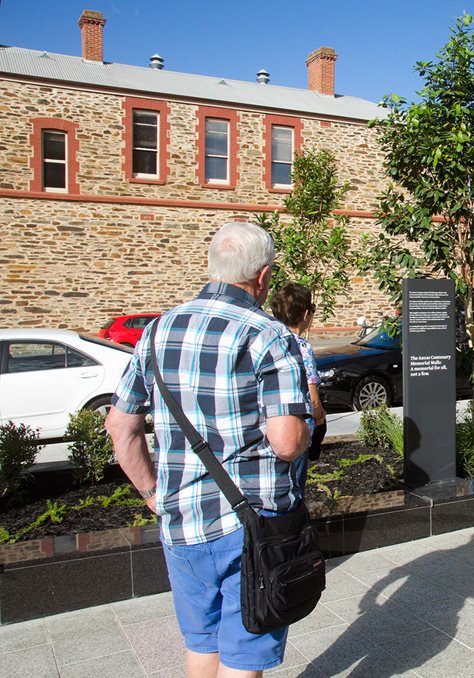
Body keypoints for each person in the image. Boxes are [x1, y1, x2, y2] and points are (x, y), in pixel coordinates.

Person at [105, 222, 311, 678]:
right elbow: (287, 441)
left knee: (202, 642)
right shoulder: (269, 335)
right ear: (262, 277)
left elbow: (121, 426)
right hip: (251, 525)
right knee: (243, 652)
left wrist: (152, 494)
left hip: (181, 521)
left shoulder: (157, 331)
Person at [270, 282, 327, 485]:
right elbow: (312, 397)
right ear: (305, 315)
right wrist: (319, 416)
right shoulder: (301, 347)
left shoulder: (269, 341)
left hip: (270, 427)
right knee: (296, 487)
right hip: (297, 429)